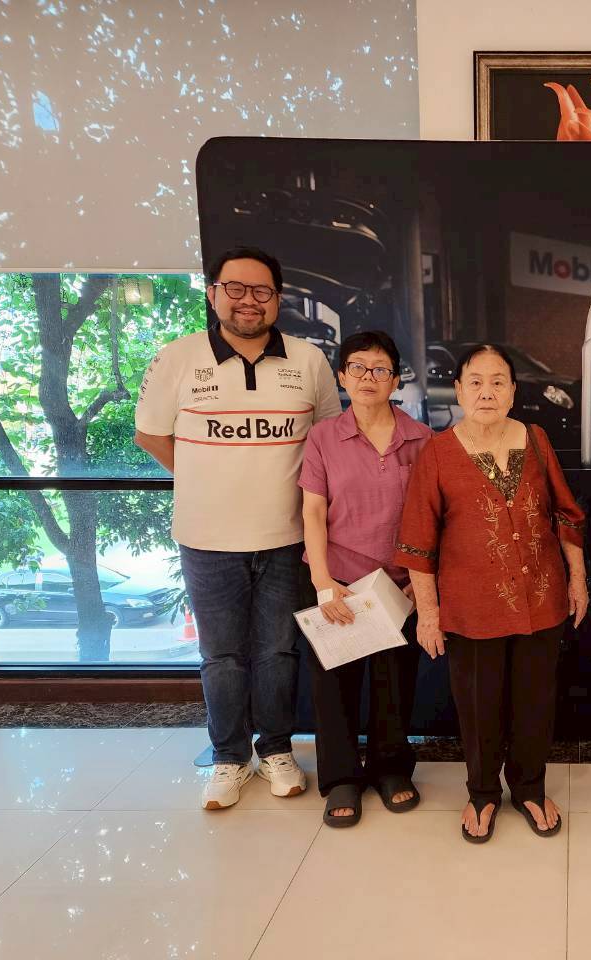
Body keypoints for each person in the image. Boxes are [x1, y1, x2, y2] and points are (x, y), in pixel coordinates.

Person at [135, 246, 340, 810]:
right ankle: (229, 757)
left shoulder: (308, 361)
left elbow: (327, 445)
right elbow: (150, 435)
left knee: (278, 652)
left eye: (261, 291)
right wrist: (202, 477)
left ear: (278, 299)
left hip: (287, 538)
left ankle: (276, 749)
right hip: (206, 538)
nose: (249, 300)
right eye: (236, 288)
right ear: (213, 293)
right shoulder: (177, 358)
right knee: (221, 656)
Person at [394, 344, 587, 843]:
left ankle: (529, 787)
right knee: (478, 707)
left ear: (513, 391)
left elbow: (566, 514)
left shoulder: (537, 439)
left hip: (541, 599)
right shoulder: (437, 453)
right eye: (476, 382)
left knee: (535, 702)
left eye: (498, 382)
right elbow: (418, 542)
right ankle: (482, 792)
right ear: (459, 391)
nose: (487, 392)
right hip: (471, 607)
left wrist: (577, 579)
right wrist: (429, 615)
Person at [300, 330, 432, 827]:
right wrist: (323, 583)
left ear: (396, 380)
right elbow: (313, 512)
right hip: (337, 580)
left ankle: (391, 769)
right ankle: (340, 778)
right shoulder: (323, 437)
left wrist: (420, 582)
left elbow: (433, 517)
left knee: (394, 683)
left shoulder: (422, 439)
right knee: (333, 686)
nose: (368, 377)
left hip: (398, 585)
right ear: (342, 376)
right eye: (357, 367)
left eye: (380, 369)